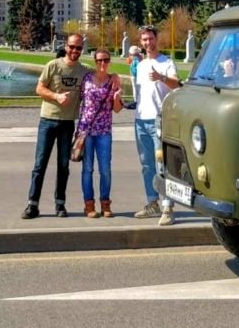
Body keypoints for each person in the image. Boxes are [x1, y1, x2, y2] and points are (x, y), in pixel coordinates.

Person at [22, 34, 93, 219]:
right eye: (72, 47)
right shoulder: (52, 66)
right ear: (66, 47)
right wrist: (56, 97)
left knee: (63, 166)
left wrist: (114, 78)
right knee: (40, 164)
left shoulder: (84, 71)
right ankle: (32, 204)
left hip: (67, 123)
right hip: (48, 120)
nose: (75, 51)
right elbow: (39, 89)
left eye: (78, 48)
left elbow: (100, 76)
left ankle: (60, 204)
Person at [133, 25, 180, 226]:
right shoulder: (141, 64)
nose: (147, 43)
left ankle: (168, 206)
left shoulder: (166, 62)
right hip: (140, 120)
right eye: (144, 39)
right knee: (146, 165)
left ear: (156, 39)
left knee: (163, 165)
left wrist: (161, 77)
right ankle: (152, 202)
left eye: (150, 38)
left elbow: (177, 85)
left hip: (159, 120)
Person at [77, 48, 123, 218]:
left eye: (105, 60)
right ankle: (89, 205)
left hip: (104, 130)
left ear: (109, 61)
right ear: (95, 62)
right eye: (99, 60)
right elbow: (79, 100)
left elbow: (117, 109)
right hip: (86, 130)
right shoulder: (87, 79)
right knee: (87, 169)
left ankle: (105, 203)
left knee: (105, 169)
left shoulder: (114, 81)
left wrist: (117, 97)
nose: (102, 63)